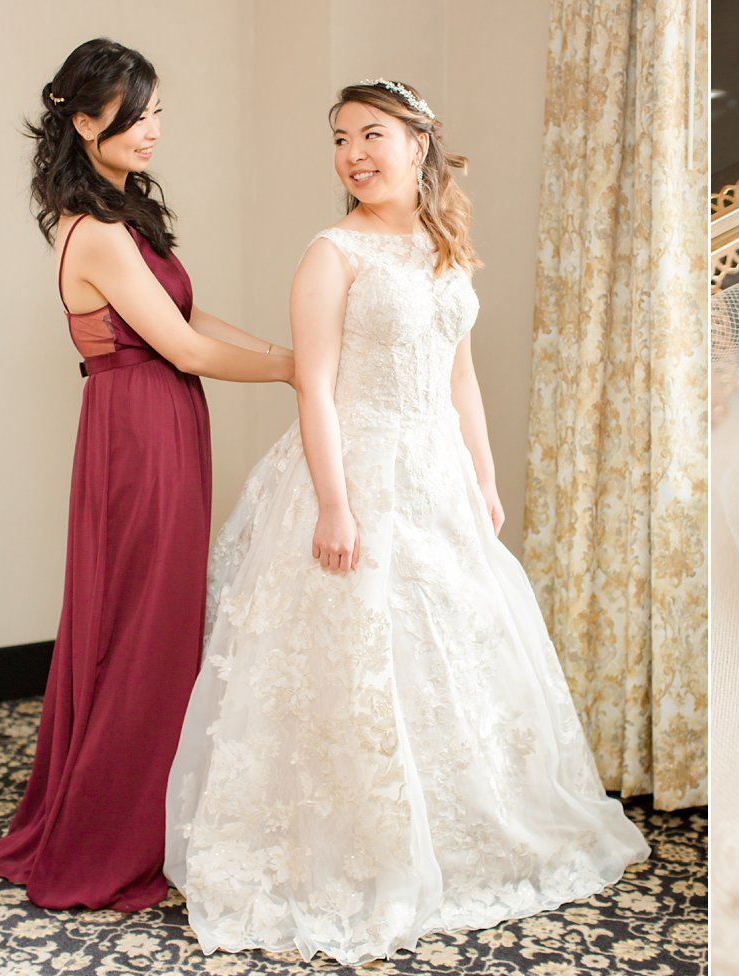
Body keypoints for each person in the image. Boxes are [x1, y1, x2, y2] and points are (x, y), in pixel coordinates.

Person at [165, 79, 649, 964]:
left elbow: (459, 375)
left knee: (455, 654)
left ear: (419, 143)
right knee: (358, 659)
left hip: (436, 474)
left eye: (374, 134)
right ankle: (365, 844)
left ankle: (463, 826)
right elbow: (313, 385)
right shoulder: (330, 253)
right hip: (356, 472)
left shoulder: (441, 243)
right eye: (342, 138)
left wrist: (485, 476)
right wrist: (338, 502)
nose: (355, 152)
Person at [0, 38, 294, 911]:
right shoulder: (100, 234)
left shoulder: (121, 216)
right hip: (139, 431)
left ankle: (129, 806)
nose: (153, 129)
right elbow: (186, 346)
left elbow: (188, 312)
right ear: (83, 122)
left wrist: (285, 350)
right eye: (134, 114)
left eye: (156, 111)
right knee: (144, 626)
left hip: (156, 419)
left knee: (148, 616)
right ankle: (114, 834)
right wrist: (297, 372)